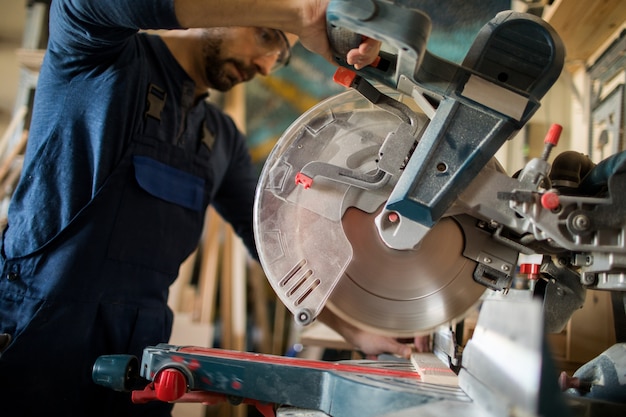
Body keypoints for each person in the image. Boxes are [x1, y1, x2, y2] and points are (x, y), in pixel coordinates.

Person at [0, 0, 425, 415]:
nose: (263, 65)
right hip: (41, 322)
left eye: (277, 60)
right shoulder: (97, 57)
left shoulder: (221, 139)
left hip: (141, 345)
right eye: (265, 36)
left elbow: (273, 246)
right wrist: (299, 13)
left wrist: (355, 329)